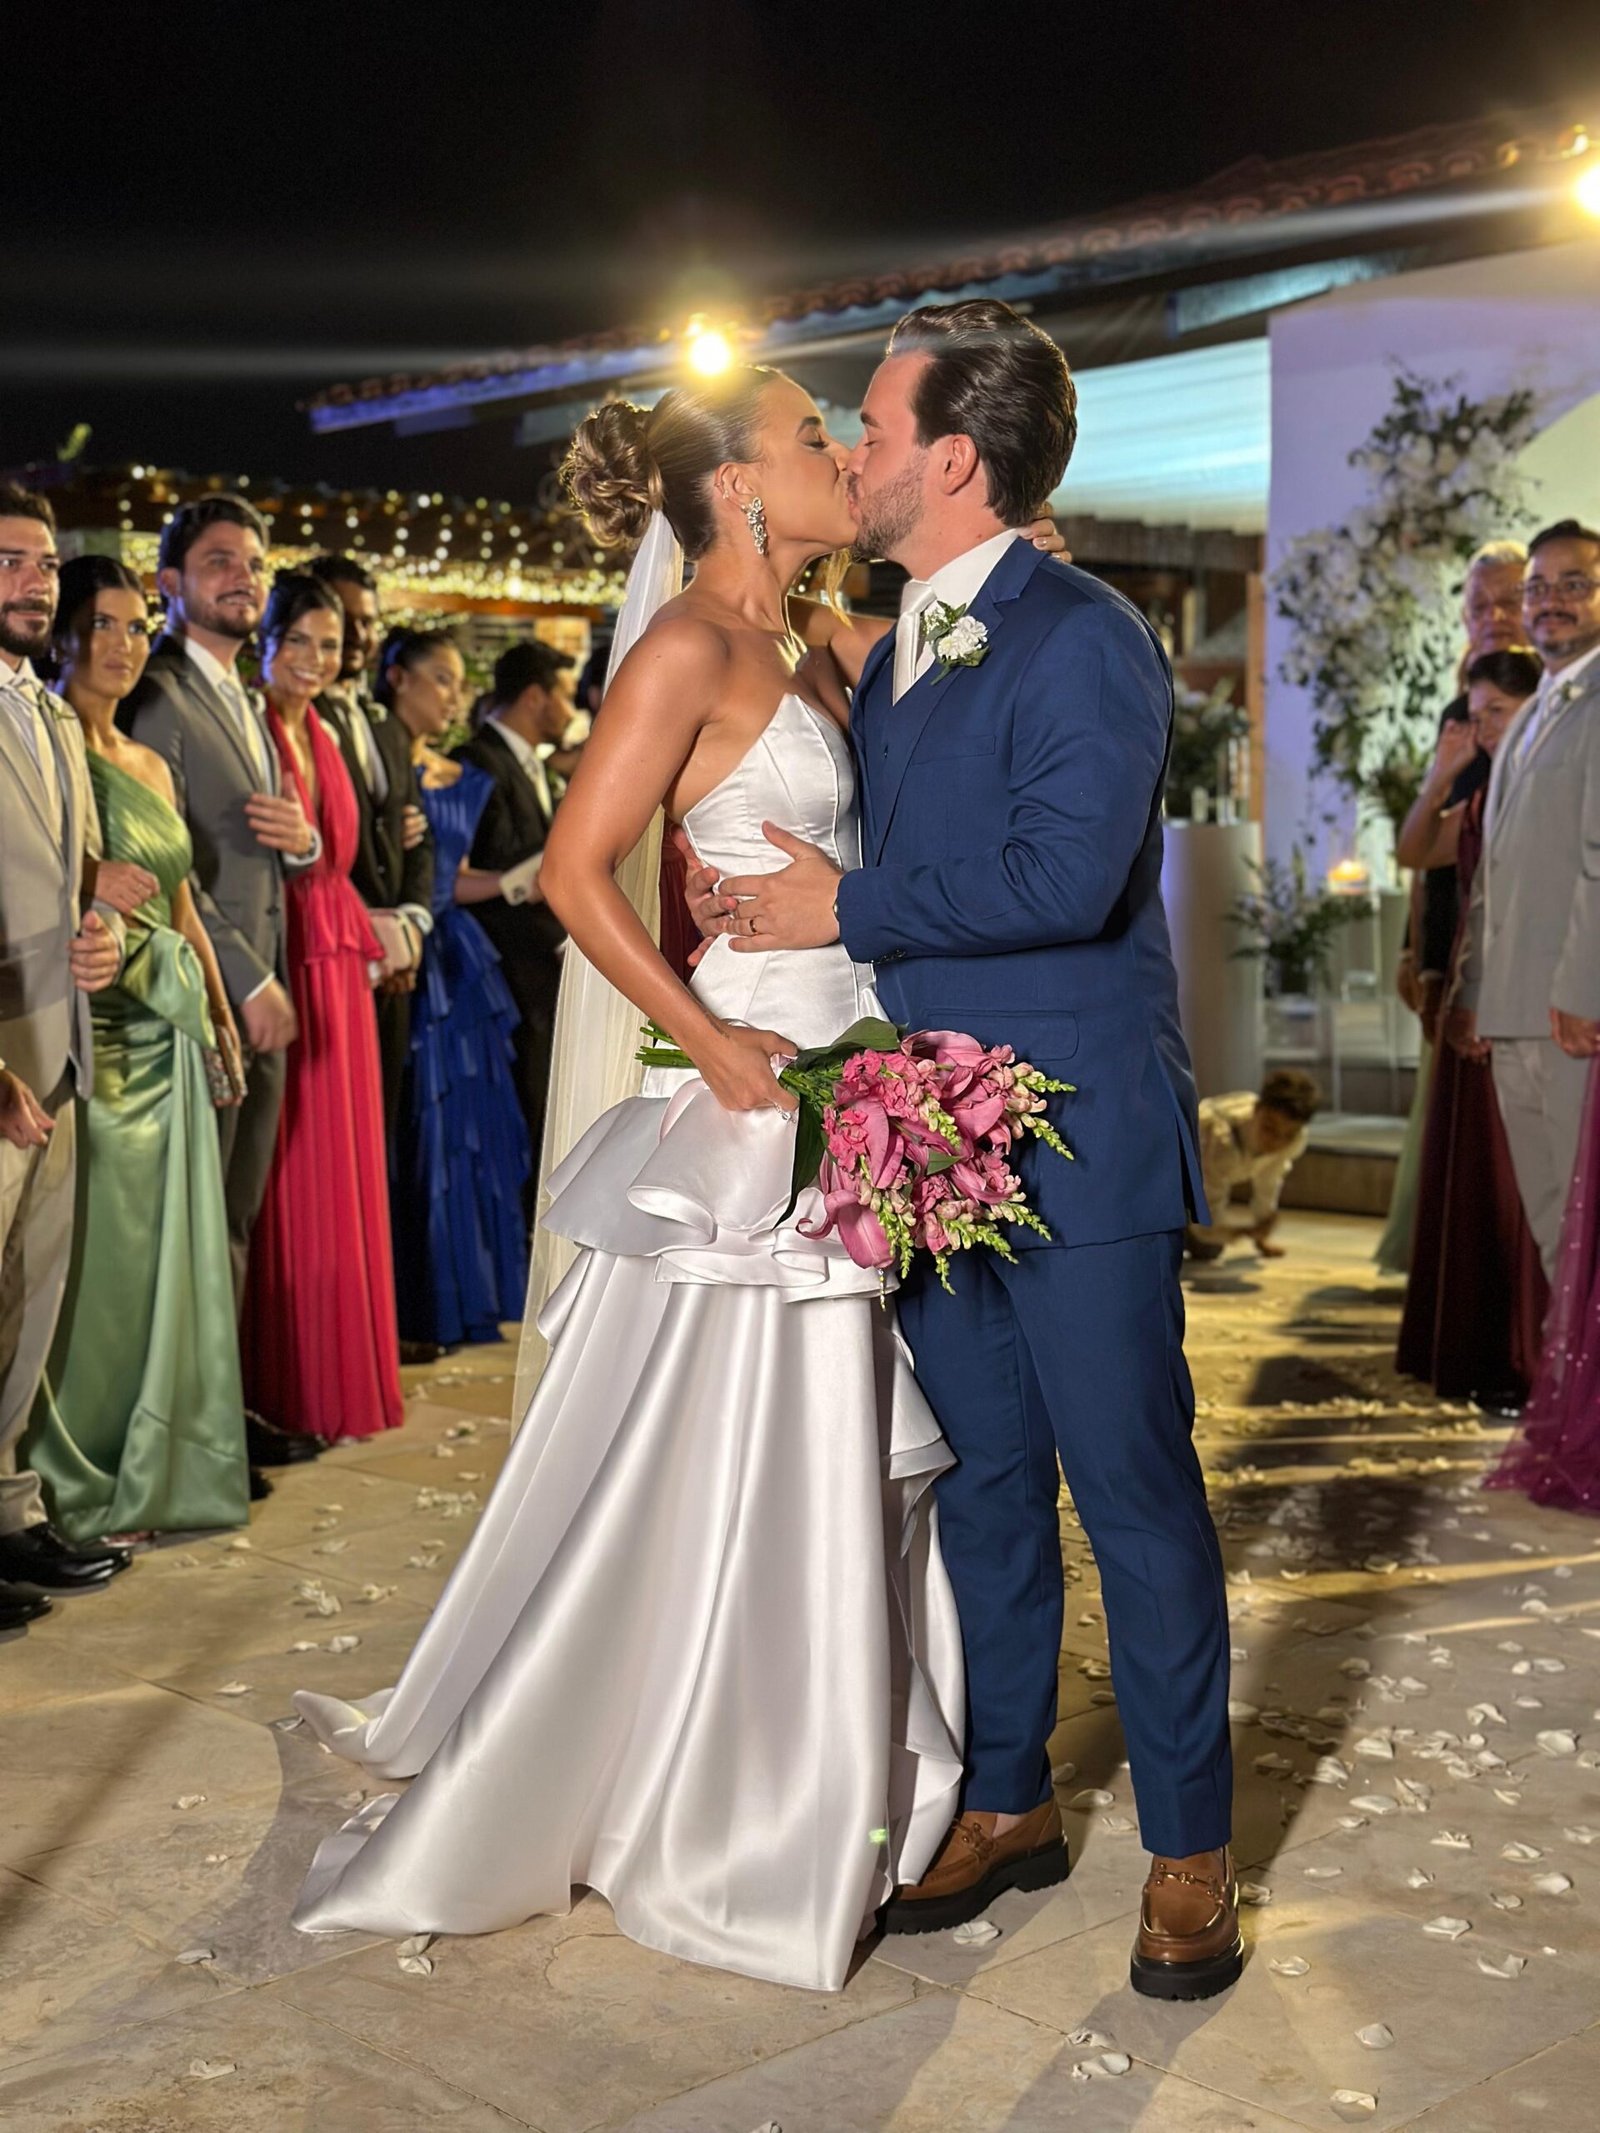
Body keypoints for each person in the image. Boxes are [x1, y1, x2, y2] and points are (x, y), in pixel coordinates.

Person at [293, 306, 1237, 2005]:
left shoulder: (1079, 630)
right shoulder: (872, 646)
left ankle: (1190, 1850)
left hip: (1077, 1138)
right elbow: (649, 848)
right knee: (980, 1484)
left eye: (870, 429)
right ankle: (1007, 1795)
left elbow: (1070, 873)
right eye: (829, 431)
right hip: (906, 1138)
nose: (853, 452)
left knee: (1134, 1487)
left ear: (956, 459)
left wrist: (837, 908)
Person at [23, 559, 250, 1541]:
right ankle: (79, 1471)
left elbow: (182, 903)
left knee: (164, 1260)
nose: (121, 644)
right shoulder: (46, 744)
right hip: (97, 1026)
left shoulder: (148, 762)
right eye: (102, 624)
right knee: (99, 1269)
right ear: (66, 636)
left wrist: (221, 1015)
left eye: (134, 625)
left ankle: (153, 1469)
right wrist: (86, 884)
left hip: (171, 1027)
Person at [125, 497, 324, 1479]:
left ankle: (222, 1413)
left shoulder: (243, 696)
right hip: (204, 995)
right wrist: (244, 979)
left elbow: (272, 844)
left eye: (252, 562)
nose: (242, 577)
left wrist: (309, 843)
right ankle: (182, 1437)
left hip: (262, 990)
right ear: (170, 584)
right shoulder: (157, 696)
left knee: (235, 1217)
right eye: (218, 562)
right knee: (194, 1222)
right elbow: (166, 868)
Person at [0, 487, 133, 1622]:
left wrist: (108, 934)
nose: (33, 582)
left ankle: (7, 1510)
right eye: (8, 561)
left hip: (60, 1048)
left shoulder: (47, 715)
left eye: (43, 564)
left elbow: (78, 880)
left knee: (27, 1299)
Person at [240, 575, 403, 1443]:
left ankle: (338, 1379)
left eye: (328, 644)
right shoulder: (252, 723)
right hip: (288, 952)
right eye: (297, 640)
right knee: (293, 1167)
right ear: (266, 642)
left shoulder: (328, 726)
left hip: (337, 955)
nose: (313, 658)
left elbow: (341, 849)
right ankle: (288, 1382)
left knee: (342, 1166)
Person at [1396, 650, 1547, 1406]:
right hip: (1473, 983)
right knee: (1482, 1180)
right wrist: (1442, 773)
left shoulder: (1546, 782)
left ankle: (1531, 1355)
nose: (1484, 728)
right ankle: (1487, 1348)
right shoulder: (1485, 789)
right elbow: (1414, 850)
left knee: (1523, 1184)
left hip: (1518, 992)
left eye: (1498, 713)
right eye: (1475, 713)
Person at [1451, 522, 1600, 1277]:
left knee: (1589, 1223)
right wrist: (1474, 990)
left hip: (1575, 1015)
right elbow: (1495, 867)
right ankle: (1572, 1359)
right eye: (1539, 587)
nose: (1551, 601)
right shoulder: (1534, 708)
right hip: (1514, 1013)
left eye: (1575, 584)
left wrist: (1583, 991)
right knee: (1552, 1229)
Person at [377, 629, 530, 1348]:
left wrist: (512, 881)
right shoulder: (374, 764)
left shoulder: (457, 773)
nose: (453, 695)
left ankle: (466, 1294)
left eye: (459, 681)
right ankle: (411, 1303)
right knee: (417, 1128)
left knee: (469, 1133)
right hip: (401, 954)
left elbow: (458, 876)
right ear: (397, 677)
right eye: (440, 678)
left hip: (459, 959)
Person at [306, 555, 435, 1141]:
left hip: (397, 961)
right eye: (344, 619)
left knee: (381, 1129)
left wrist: (410, 924)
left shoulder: (385, 725)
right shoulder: (297, 717)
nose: (357, 635)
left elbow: (418, 833)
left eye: (367, 621)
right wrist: (369, 935)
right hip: (334, 952)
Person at [458, 642, 575, 1202]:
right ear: (535, 697)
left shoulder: (535, 766)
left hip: (538, 966)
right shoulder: (476, 760)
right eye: (564, 696)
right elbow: (488, 862)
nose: (571, 711)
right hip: (501, 965)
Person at [1186, 1069, 1321, 1261]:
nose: (1277, 1142)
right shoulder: (1220, 1140)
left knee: (1208, 1249)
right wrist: (1241, 1232)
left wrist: (1262, 1229)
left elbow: (1269, 1180)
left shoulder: (1295, 1140)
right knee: (1202, 1243)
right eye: (1269, 1128)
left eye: (1288, 1135)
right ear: (1257, 1110)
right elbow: (1205, 1212)